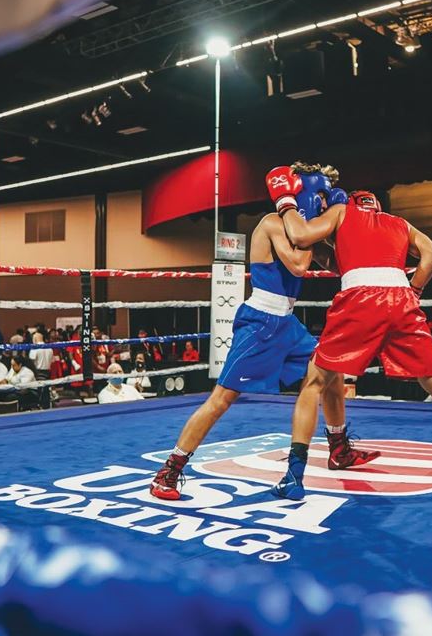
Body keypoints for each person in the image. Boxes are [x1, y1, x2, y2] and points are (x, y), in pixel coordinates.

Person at [272, 183, 432, 500]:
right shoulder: (399, 223)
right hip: (401, 299)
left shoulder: (341, 212)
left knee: (315, 382)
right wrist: (413, 290)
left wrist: (285, 201)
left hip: (360, 298)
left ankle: (293, 476)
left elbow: (301, 235)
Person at [149, 162, 349, 501]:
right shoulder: (272, 223)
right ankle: (169, 471)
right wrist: (310, 223)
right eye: (320, 196)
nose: (323, 202)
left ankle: (339, 447)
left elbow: (338, 265)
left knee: (332, 373)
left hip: (287, 324)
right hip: (260, 324)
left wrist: (334, 229)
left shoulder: (303, 229)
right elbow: (299, 264)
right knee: (222, 399)